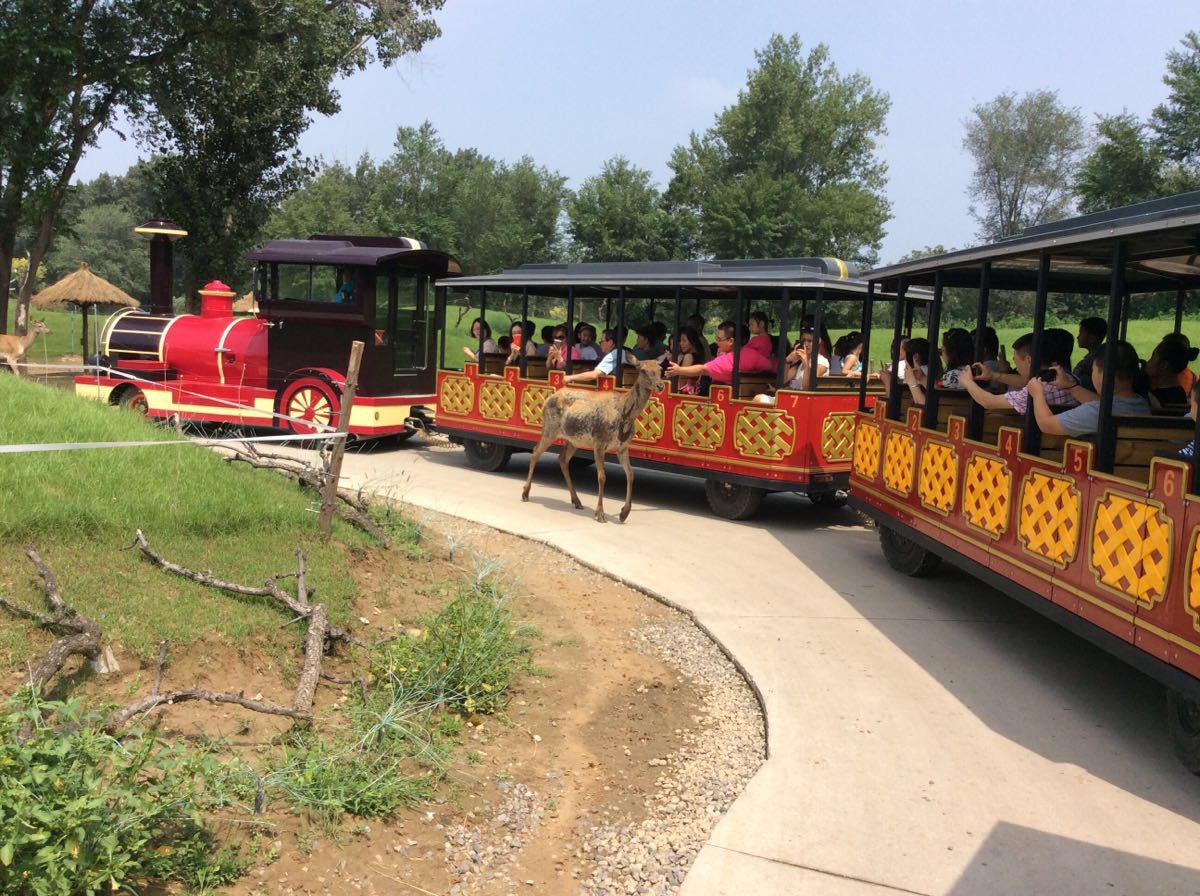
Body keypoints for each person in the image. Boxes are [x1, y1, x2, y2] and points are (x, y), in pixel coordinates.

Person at [1029, 340, 1149, 436]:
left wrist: (1037, 394)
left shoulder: (1096, 412)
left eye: (1094, 370)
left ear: (1103, 375)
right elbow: (1102, 403)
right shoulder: (1140, 404)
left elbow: (1046, 425)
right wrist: (1071, 387)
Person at [960, 329, 1079, 414]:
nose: (1016, 368)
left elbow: (989, 402)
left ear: (1029, 360)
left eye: (1016, 361)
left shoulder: (1038, 389)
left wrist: (968, 382)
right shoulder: (1067, 378)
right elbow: (1025, 381)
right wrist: (993, 375)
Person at [666, 319, 774, 386]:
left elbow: (703, 369)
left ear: (730, 341)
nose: (716, 343)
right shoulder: (752, 354)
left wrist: (679, 370)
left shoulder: (726, 360)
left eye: (719, 339)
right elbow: (771, 366)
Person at [562, 327, 633, 385]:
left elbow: (594, 375)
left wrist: (570, 378)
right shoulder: (622, 352)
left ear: (610, 342)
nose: (600, 344)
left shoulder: (612, 355)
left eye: (602, 341)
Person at [1144, 337, 1193, 407]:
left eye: (1152, 358)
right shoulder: (1181, 393)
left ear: (1164, 365)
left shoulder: (1152, 398)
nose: (1148, 362)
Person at [672, 326, 709, 394]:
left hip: (683, 392)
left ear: (692, 341)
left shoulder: (688, 356)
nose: (681, 343)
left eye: (684, 340)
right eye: (680, 341)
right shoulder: (698, 356)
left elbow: (681, 378)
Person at [1072, 316, 1107, 383]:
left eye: (1081, 333)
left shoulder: (1091, 362)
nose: (1078, 337)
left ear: (1092, 338)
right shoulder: (1099, 356)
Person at [900, 337, 932, 402]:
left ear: (916, 356)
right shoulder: (931, 370)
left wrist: (911, 381)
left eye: (907, 355)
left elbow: (923, 405)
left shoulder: (919, 373)